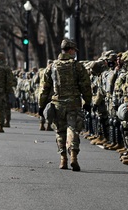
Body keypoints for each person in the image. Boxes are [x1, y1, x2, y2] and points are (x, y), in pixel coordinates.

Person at [38, 39, 92, 172]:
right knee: (72, 129)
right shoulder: (77, 66)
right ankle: (73, 155)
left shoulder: (52, 66)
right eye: (74, 51)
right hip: (73, 103)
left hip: (58, 104)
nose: (75, 54)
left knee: (60, 131)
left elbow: (44, 88)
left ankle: (63, 159)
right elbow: (85, 86)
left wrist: (41, 105)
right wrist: (88, 101)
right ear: (70, 50)